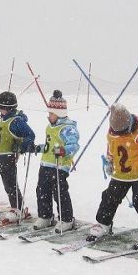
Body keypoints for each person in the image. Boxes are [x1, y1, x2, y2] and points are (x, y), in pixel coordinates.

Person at [89, 104, 138, 248]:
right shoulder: (112, 131)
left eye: (123, 131)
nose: (121, 134)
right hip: (121, 174)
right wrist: (109, 161)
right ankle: (104, 224)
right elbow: (111, 147)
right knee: (109, 197)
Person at [33, 90, 80, 232]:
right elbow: (49, 146)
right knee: (42, 190)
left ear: (59, 113)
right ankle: (45, 216)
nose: (49, 116)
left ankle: (66, 219)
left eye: (51, 113)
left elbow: (74, 145)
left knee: (59, 192)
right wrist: (37, 148)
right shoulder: (50, 127)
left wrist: (63, 150)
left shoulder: (67, 128)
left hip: (59, 166)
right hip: (45, 164)